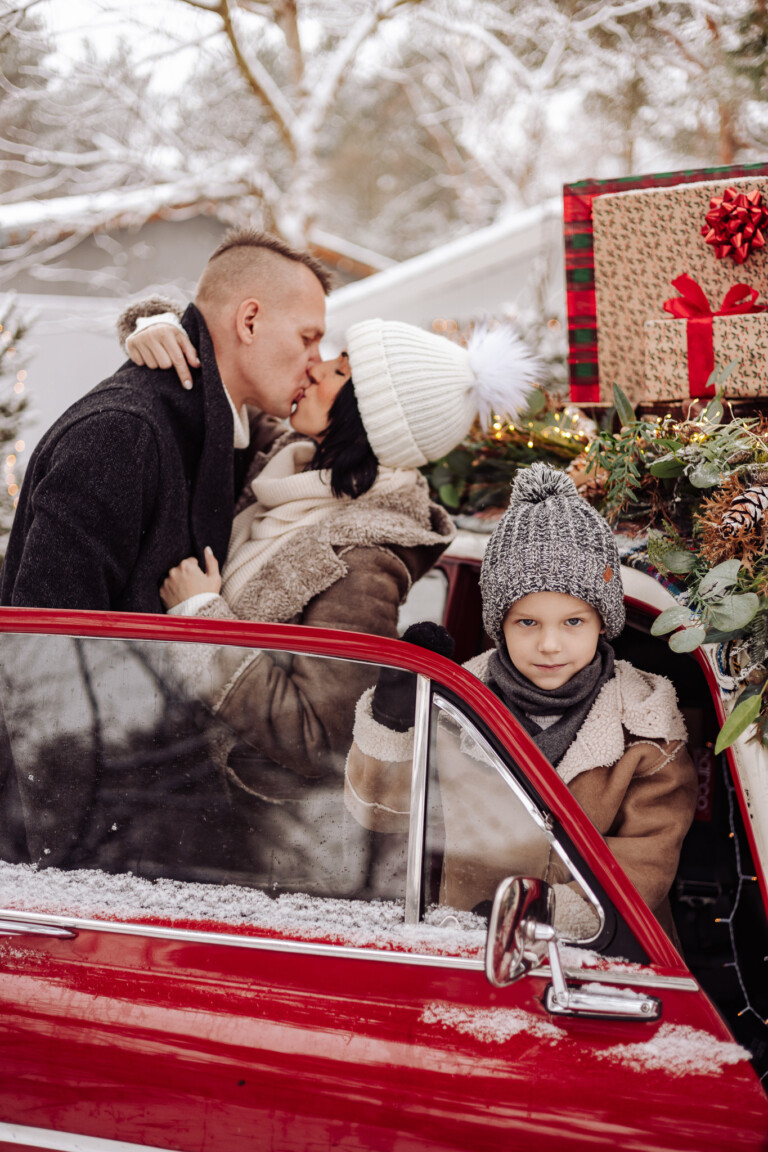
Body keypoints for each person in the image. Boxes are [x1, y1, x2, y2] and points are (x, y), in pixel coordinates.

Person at [120, 309, 539, 816]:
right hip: (161, 778)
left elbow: (316, 739)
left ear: (370, 421)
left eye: (340, 371)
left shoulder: (364, 562)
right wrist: (160, 326)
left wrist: (202, 619)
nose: (316, 368)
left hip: (245, 829)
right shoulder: (287, 463)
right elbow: (222, 380)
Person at [345, 463, 698, 940]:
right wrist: (394, 719)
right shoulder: (456, 704)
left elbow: (646, 859)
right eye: (527, 623)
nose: (550, 645)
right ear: (500, 625)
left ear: (603, 622)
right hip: (469, 942)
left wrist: (547, 915)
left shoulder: (645, 727)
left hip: (600, 956)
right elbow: (379, 811)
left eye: (573, 622)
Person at [0, 228, 330, 611]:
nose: (317, 363)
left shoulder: (228, 433)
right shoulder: (122, 433)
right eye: (307, 338)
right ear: (250, 321)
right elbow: (48, 640)